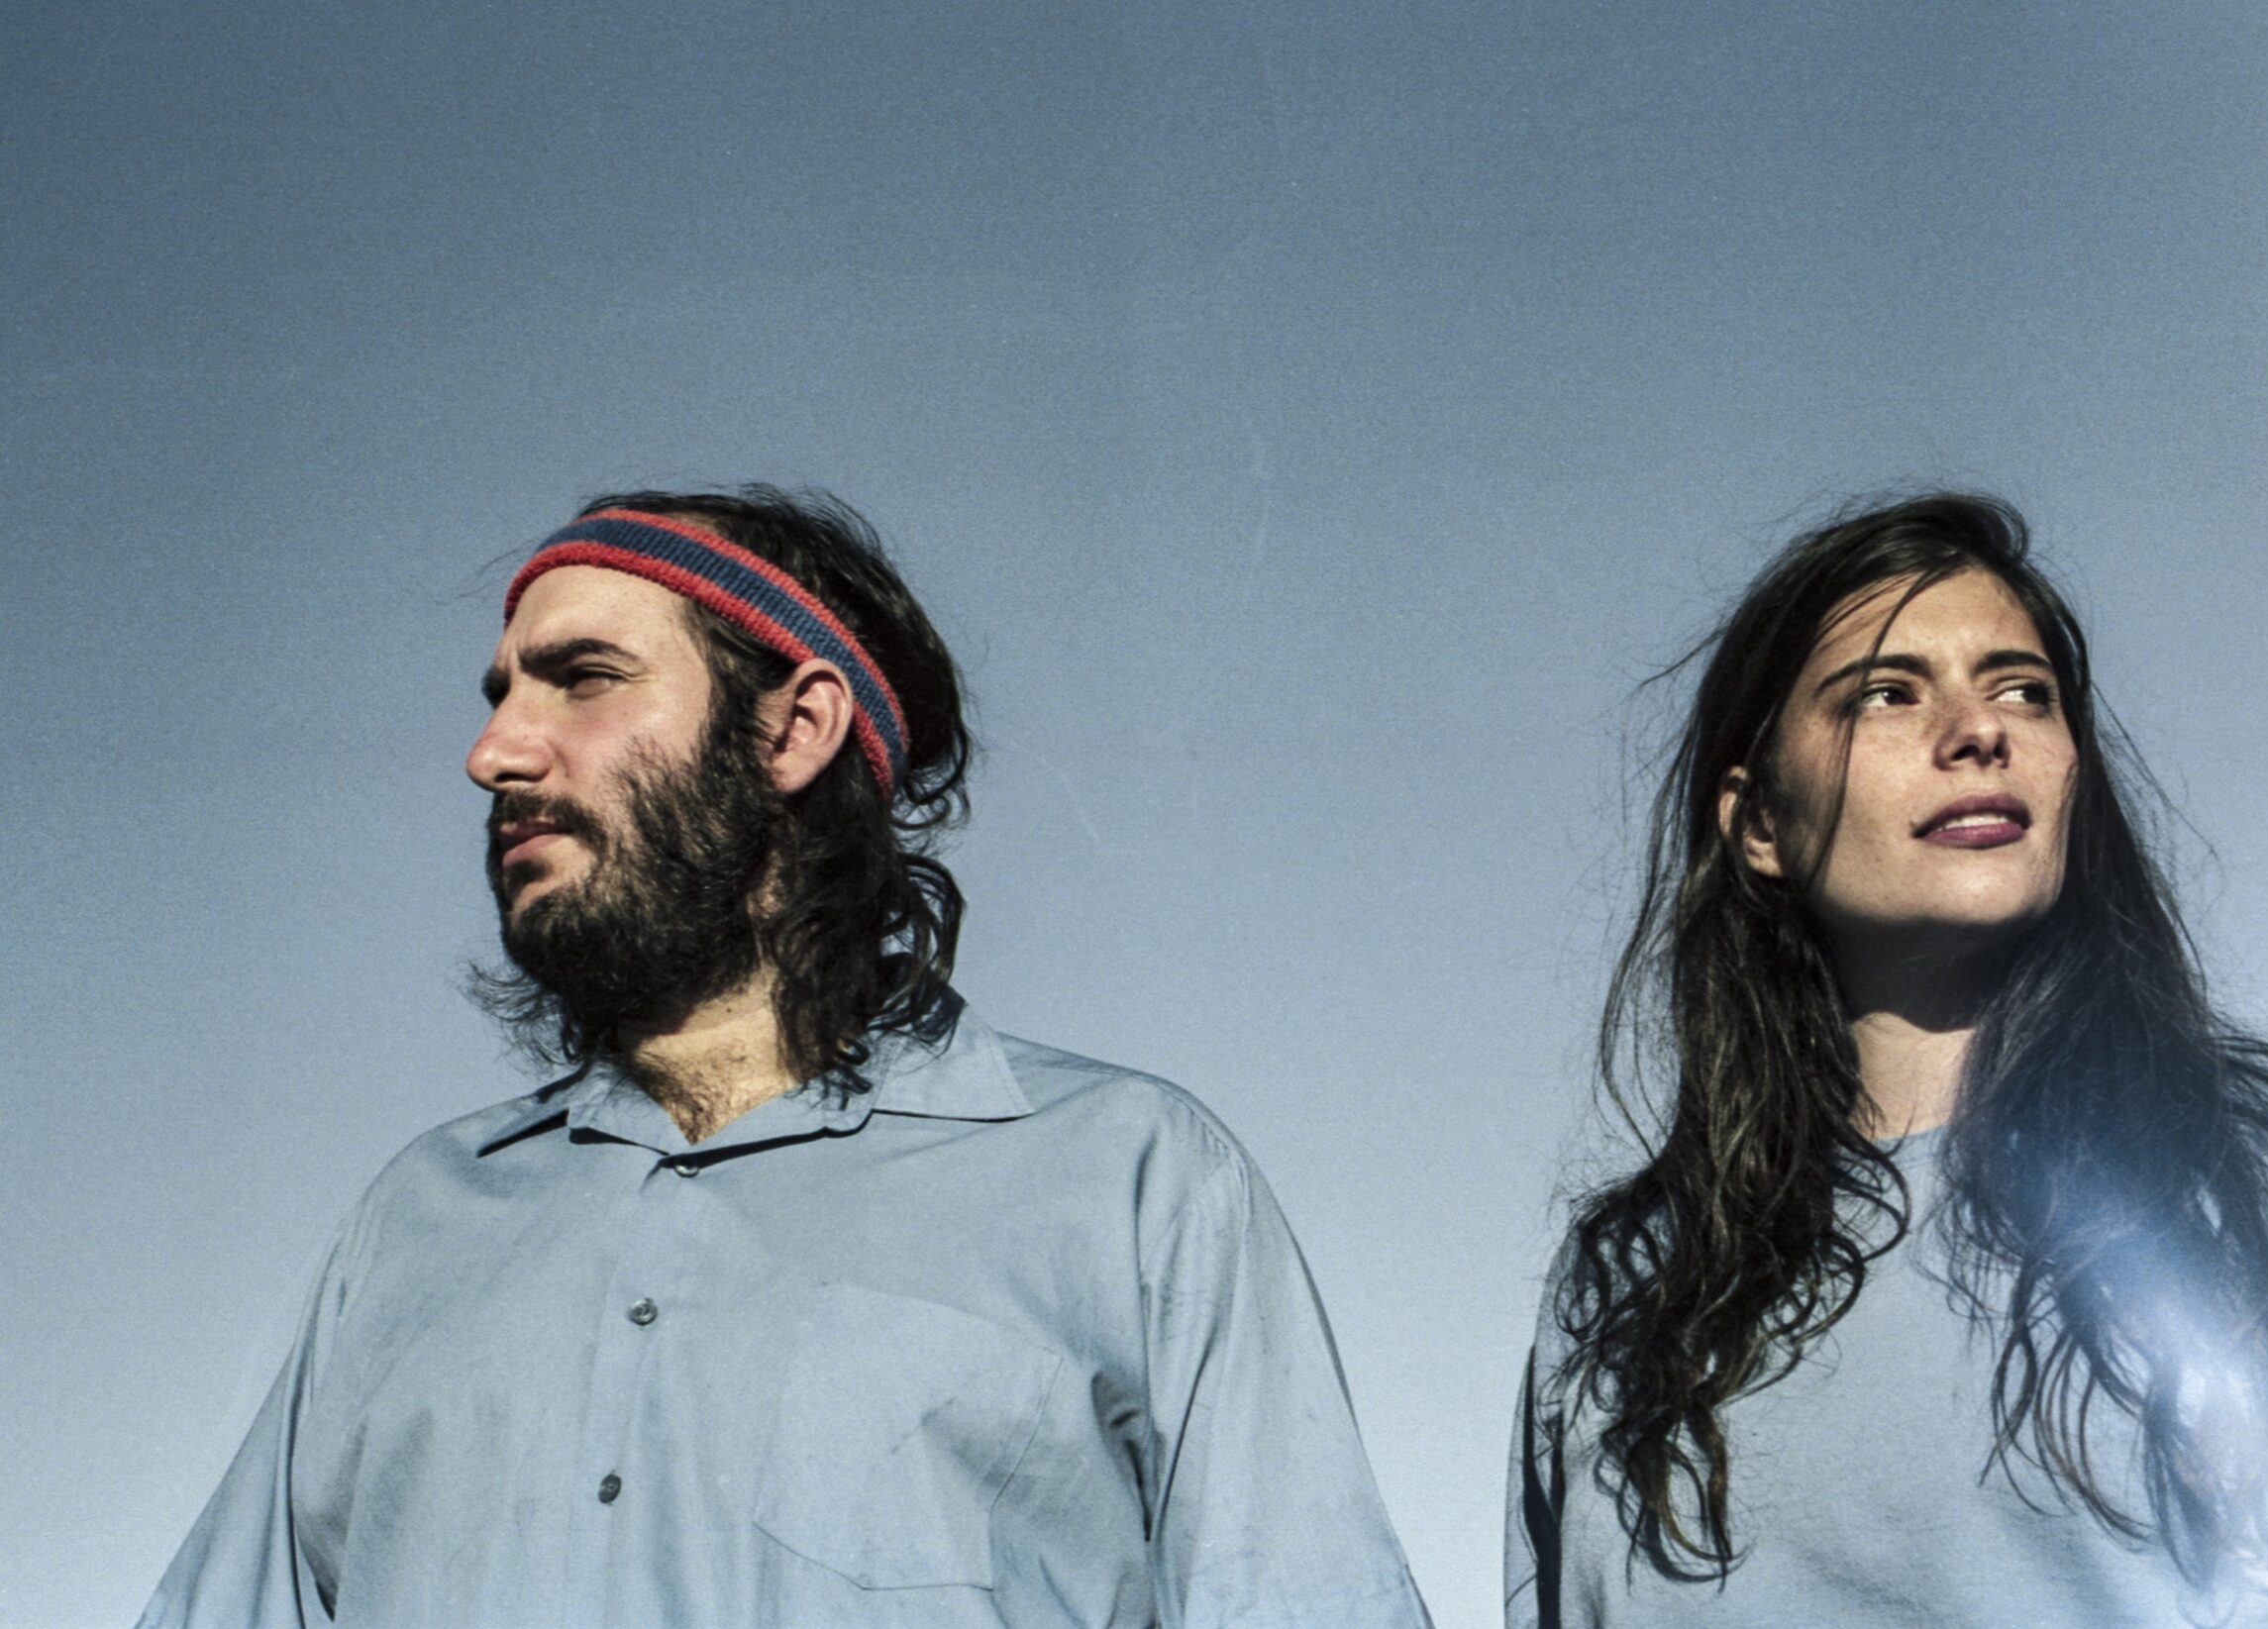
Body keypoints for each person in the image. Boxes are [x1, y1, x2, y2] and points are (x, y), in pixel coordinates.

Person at [144, 488, 1431, 1629]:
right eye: (499, 697)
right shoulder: (418, 1218)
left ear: (795, 727)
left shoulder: (1130, 1177)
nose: (496, 753)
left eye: (582, 677)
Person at [1506, 493, 2268, 1626]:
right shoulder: (1629, 1285)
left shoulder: (2267, 1172)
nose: (1978, 728)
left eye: (2022, 690)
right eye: (1887, 692)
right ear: (1757, 823)